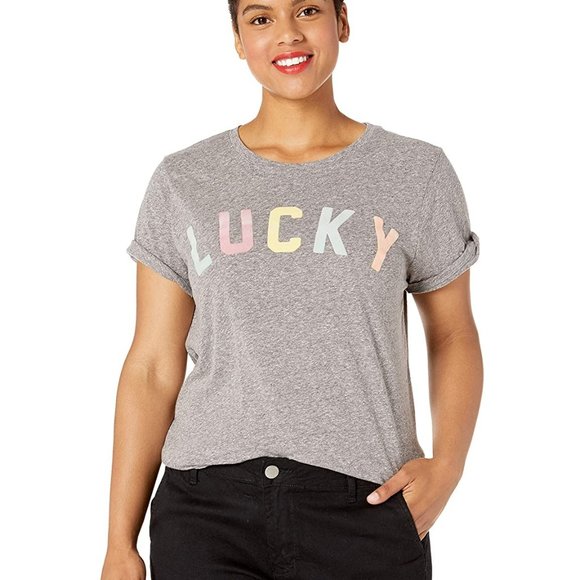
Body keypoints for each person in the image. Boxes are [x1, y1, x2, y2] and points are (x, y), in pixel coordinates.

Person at [101, 1, 483, 578]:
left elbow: (453, 332)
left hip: (366, 505)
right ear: (237, 39)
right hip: (207, 510)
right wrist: (119, 543)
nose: (287, 34)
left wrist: (448, 465)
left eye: (306, 9)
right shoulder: (184, 180)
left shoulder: (415, 173)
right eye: (260, 18)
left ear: (342, 22)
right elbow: (152, 365)